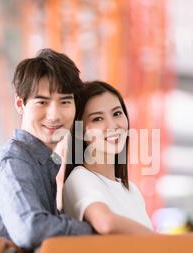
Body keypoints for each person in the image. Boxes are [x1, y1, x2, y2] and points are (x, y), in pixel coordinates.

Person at [0, 48, 96, 251]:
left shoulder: (42, 162)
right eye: (42, 102)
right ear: (20, 104)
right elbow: (31, 230)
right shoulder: (14, 162)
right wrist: (97, 231)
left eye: (65, 101)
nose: (54, 115)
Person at [63, 81, 154, 234]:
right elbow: (105, 223)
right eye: (97, 119)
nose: (112, 126)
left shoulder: (132, 190)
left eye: (117, 113)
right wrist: (161, 241)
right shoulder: (79, 177)